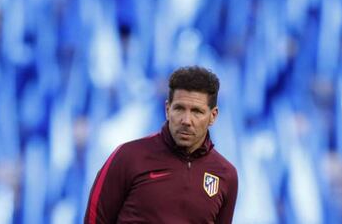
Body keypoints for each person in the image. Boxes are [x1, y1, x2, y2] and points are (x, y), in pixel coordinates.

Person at [84, 66, 238, 223]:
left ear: (213, 116)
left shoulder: (225, 175)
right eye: (179, 108)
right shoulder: (127, 157)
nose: (186, 120)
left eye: (197, 111)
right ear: (167, 109)